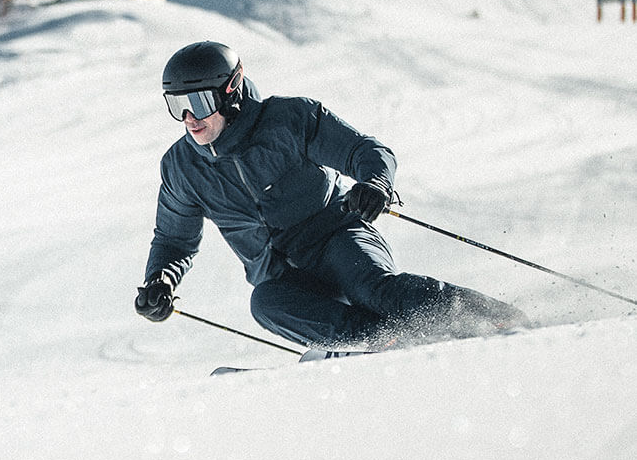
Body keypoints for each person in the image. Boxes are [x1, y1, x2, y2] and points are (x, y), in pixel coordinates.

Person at [135, 41, 526, 351]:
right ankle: (381, 342)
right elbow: (174, 239)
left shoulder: (288, 120)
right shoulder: (182, 167)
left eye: (198, 103)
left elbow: (365, 151)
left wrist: (375, 185)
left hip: (336, 237)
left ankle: (498, 320)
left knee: (373, 289)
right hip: (281, 273)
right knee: (266, 305)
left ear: (230, 92)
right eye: (177, 106)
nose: (190, 119)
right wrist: (159, 281)